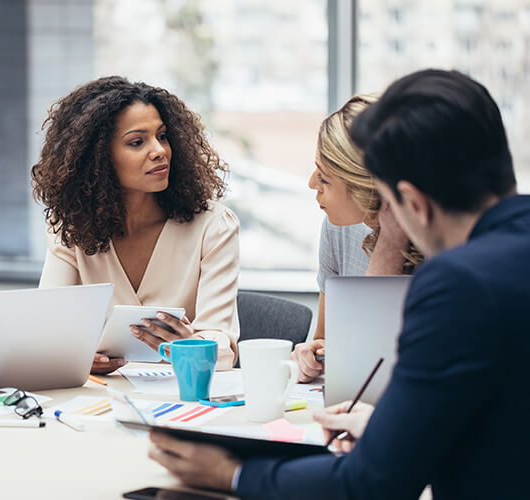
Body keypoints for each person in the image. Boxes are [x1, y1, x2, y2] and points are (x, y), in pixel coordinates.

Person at [148, 69, 528, 499]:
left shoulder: (460, 284)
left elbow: (373, 484)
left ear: (414, 206)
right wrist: (392, 428)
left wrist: (230, 473)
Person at [32, 76, 240, 373]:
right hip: (99, 401)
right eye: (137, 142)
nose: (159, 151)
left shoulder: (213, 226)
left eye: (163, 136)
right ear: (98, 157)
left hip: (181, 396)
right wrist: (77, 355)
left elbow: (223, 350)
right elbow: (45, 329)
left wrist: (189, 345)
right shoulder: (70, 229)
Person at [293, 93, 423, 382]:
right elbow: (327, 342)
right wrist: (313, 356)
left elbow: (378, 368)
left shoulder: (441, 247)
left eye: (324, 177)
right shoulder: (337, 228)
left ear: (367, 189)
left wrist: (390, 238)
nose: (311, 183)